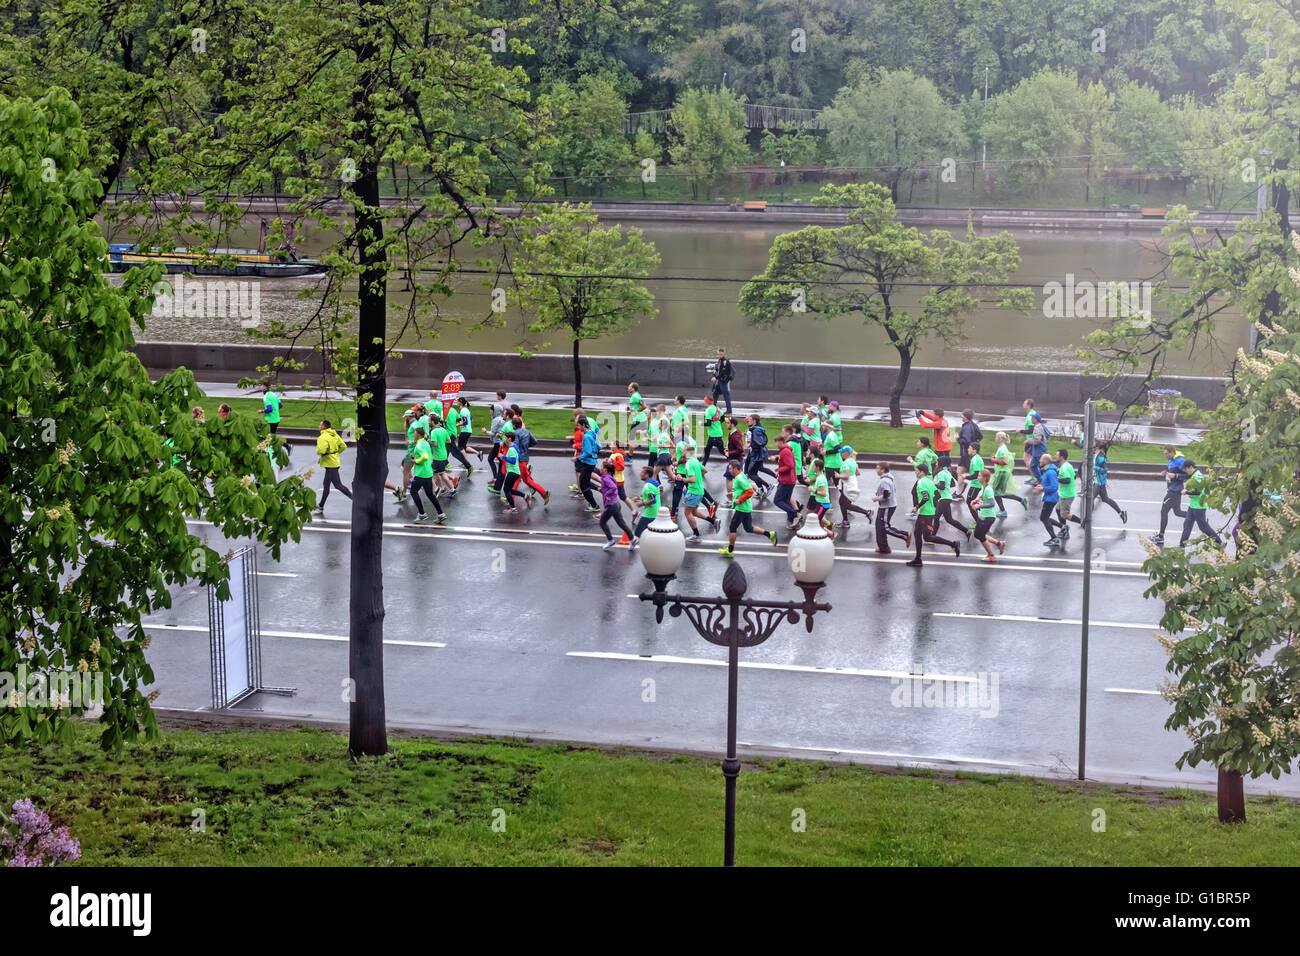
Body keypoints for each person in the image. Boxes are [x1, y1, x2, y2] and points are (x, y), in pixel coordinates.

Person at [719, 460, 778, 555]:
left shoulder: (739, 479)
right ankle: (770, 534)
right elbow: (744, 489)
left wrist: (739, 500)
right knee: (748, 528)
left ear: (735, 468)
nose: (729, 470)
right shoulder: (740, 475)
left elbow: (750, 491)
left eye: (730, 468)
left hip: (742, 507)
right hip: (745, 507)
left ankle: (730, 551)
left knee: (732, 527)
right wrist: (733, 494)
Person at [907, 465, 961, 566]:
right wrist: (932, 505)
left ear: (922, 472)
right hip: (928, 513)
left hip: (925, 514)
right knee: (917, 534)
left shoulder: (921, 482)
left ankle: (953, 544)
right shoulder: (930, 482)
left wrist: (917, 506)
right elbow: (938, 495)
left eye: (917, 471)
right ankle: (918, 559)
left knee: (927, 537)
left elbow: (925, 497)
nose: (915, 472)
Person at [677, 444, 717, 538]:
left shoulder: (688, 464)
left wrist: (682, 479)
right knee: (694, 512)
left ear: (687, 453)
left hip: (693, 492)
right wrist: (698, 477)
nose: (682, 452)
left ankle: (696, 534)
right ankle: (713, 521)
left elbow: (692, 479)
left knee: (687, 513)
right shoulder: (695, 461)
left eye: (683, 450)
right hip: (700, 491)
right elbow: (705, 470)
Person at [1179, 460, 1222, 547]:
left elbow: (1198, 492)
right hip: (1192, 505)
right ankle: (1182, 545)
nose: (1185, 471)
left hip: (1199, 506)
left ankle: (1219, 542)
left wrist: (1186, 492)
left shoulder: (1198, 477)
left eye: (1186, 469)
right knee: (1187, 524)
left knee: (1203, 527)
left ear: (1191, 467)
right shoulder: (1194, 475)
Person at [313, 420, 352, 514]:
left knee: (338, 485)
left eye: (320, 424)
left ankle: (357, 501)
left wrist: (320, 452)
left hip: (330, 464)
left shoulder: (322, 437)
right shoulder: (334, 434)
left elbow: (321, 451)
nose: (319, 426)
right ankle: (321, 506)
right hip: (334, 461)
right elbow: (343, 446)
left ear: (324, 427)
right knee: (326, 485)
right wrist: (334, 453)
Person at [408, 427, 445, 523]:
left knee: (413, 492)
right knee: (430, 494)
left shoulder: (419, 445)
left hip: (421, 474)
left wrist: (416, 461)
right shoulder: (425, 443)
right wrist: (414, 456)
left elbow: (425, 456)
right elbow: (425, 454)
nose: (414, 435)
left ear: (418, 435)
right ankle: (441, 514)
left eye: (415, 433)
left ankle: (422, 514)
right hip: (428, 473)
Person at [1153, 444, 1187, 545]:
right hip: (1172, 489)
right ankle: (1196, 516)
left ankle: (1161, 536)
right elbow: (1172, 472)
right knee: (1178, 512)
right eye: (1165, 454)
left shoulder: (1180, 461)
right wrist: (1166, 472)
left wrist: (1175, 475)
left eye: (1166, 454)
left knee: (1164, 511)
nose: (1165, 455)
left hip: (1174, 491)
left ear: (1172, 452)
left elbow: (1188, 474)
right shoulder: (1171, 460)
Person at [597, 461, 636, 550]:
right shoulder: (608, 477)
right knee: (621, 523)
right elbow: (612, 487)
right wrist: (603, 491)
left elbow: (614, 488)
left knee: (602, 522)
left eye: (601, 467)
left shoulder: (606, 478)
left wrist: (606, 495)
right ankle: (632, 539)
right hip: (616, 504)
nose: (600, 468)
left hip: (611, 505)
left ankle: (610, 540)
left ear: (605, 469)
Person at [872, 462, 909, 554]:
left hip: (887, 506)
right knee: (879, 526)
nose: (876, 470)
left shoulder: (884, 481)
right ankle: (884, 548)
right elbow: (893, 490)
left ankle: (905, 535)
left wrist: (876, 498)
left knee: (884, 527)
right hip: (887, 506)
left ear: (883, 470)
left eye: (878, 468)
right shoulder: (889, 477)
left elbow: (887, 495)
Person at [1086, 440, 1126, 525]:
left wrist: (1095, 467)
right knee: (1105, 499)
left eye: (1093, 444)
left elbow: (1105, 470)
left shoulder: (1101, 457)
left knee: (1091, 499)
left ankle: (1088, 520)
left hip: (1099, 482)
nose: (1092, 445)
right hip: (1095, 480)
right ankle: (1121, 513)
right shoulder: (1094, 454)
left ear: (1097, 447)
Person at [971, 470, 1007, 563]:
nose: (978, 477)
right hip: (983, 516)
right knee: (978, 534)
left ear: (985, 478)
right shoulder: (983, 487)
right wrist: (975, 501)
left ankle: (991, 555)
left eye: (979, 476)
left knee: (980, 536)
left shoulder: (988, 489)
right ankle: (999, 544)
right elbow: (982, 498)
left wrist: (979, 506)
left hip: (988, 517)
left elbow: (992, 503)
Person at [512, 415, 548, 506]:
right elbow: (534, 441)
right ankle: (544, 494)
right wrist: (526, 447)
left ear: (514, 425)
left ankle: (511, 500)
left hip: (519, 459)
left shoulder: (515, 433)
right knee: (527, 480)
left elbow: (515, 447)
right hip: (525, 458)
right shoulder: (527, 432)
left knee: (516, 480)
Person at [989, 432, 1027, 516]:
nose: (995, 439)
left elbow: (1005, 462)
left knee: (997, 492)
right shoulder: (1002, 447)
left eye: (996, 437)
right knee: (998, 492)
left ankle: (1004, 510)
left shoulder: (1002, 449)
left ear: (999, 439)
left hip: (1002, 473)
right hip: (1001, 472)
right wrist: (995, 458)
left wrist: (994, 461)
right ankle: (1019, 501)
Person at [836, 447, 873, 529]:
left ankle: (867, 512)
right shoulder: (853, 461)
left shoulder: (845, 463)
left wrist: (838, 476)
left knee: (846, 504)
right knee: (842, 502)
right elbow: (858, 473)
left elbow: (846, 476)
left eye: (842, 452)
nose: (840, 453)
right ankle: (845, 521)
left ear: (846, 453)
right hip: (852, 483)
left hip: (847, 485)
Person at [773, 431, 802, 527]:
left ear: (780, 442)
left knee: (777, 500)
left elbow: (789, 465)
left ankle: (795, 514)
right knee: (785, 500)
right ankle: (793, 519)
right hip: (788, 479)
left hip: (787, 480)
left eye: (776, 442)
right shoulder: (785, 451)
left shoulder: (785, 451)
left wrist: (779, 470)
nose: (775, 444)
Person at [630, 465, 662, 548]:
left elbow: (653, 500)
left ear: (647, 475)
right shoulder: (653, 483)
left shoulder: (647, 486)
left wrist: (642, 503)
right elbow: (651, 496)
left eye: (642, 472)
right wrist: (640, 498)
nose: (640, 474)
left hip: (649, 514)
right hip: (656, 512)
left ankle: (631, 548)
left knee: (637, 533)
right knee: (652, 533)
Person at [1038, 453, 1066, 546]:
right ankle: (1063, 527)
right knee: (1044, 518)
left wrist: (1043, 488)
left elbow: (1054, 486)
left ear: (1046, 461)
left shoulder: (1050, 472)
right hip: (1049, 498)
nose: (1039, 461)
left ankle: (1054, 539)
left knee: (1044, 518)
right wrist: (1041, 486)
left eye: (1041, 459)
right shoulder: (1047, 470)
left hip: (1051, 499)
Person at [744, 414, 774, 497]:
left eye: (750, 419)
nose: (748, 421)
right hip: (753, 454)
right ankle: (761, 491)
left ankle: (768, 486)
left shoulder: (756, 430)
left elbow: (759, 443)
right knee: (752, 473)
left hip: (757, 455)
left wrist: (752, 445)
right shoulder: (755, 429)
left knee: (751, 474)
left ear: (754, 421)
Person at [576, 416, 601, 512]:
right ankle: (598, 488)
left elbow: (587, 452)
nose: (578, 428)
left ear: (583, 425)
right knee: (584, 481)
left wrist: (578, 458)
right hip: (592, 461)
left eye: (579, 425)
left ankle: (594, 506)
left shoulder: (586, 436)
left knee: (583, 485)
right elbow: (599, 446)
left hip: (588, 463)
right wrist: (595, 453)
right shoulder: (592, 433)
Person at [808, 458, 835, 539]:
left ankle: (830, 534)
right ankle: (824, 534)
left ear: (817, 468)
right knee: (816, 521)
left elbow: (824, 493)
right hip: (820, 503)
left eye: (813, 466)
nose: (812, 467)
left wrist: (814, 490)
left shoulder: (820, 479)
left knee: (815, 522)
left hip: (823, 504)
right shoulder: (820, 476)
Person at [1054, 448, 1077, 539]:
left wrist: (1057, 479)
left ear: (1061, 457)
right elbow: (1074, 477)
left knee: (1064, 515)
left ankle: (1083, 523)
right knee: (1058, 509)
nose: (1055, 456)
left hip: (1067, 495)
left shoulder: (1064, 468)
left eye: (1057, 455)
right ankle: (1063, 529)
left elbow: (1067, 480)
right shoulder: (1068, 465)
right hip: (1065, 493)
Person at [499, 432, 523, 513]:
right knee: (510, 490)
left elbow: (513, 461)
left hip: (512, 472)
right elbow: (518, 457)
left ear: (509, 439)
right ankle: (524, 496)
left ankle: (513, 508)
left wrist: (503, 456)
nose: (504, 439)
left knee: (506, 490)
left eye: (505, 438)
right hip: (515, 472)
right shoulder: (515, 446)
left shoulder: (511, 449)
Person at [956, 409, 982, 482]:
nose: (961, 416)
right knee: (959, 472)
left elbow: (966, 441)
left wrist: (958, 438)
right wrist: (975, 443)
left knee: (974, 474)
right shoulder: (974, 425)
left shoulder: (967, 427)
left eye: (963, 415)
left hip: (967, 454)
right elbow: (980, 436)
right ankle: (959, 491)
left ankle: (979, 488)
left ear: (966, 417)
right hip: (966, 453)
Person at [1026, 412, 1050, 484]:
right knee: (1033, 465)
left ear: (1036, 420)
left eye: (1033, 418)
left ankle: (1042, 480)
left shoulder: (1037, 428)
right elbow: (1048, 435)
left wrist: (1028, 441)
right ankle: (1040, 480)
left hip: (1039, 451)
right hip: (1038, 450)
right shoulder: (1041, 426)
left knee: (1039, 466)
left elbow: (1037, 441)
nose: (1031, 419)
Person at [702, 395, 726, 465]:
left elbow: (708, 423)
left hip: (713, 435)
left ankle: (703, 466)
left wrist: (700, 424)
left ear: (707, 402)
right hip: (719, 434)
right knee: (722, 451)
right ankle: (735, 461)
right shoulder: (717, 409)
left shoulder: (708, 411)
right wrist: (717, 424)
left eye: (705, 401)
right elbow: (723, 418)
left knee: (707, 452)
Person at [710, 347, 735, 413]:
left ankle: (729, 410)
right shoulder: (719, 361)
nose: (719, 356)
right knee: (715, 393)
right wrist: (715, 376)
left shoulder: (725, 362)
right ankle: (713, 407)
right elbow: (717, 370)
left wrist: (716, 378)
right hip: (719, 381)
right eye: (718, 354)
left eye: (721, 354)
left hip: (723, 381)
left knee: (726, 395)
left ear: (724, 354)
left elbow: (723, 372)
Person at [628, 382, 649, 448]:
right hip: (641, 419)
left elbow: (644, 406)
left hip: (638, 419)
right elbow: (635, 405)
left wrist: (636, 412)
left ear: (633, 388)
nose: (628, 387)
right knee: (647, 436)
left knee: (631, 436)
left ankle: (630, 457)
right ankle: (654, 450)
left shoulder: (636, 396)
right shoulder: (635, 395)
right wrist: (629, 408)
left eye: (629, 386)